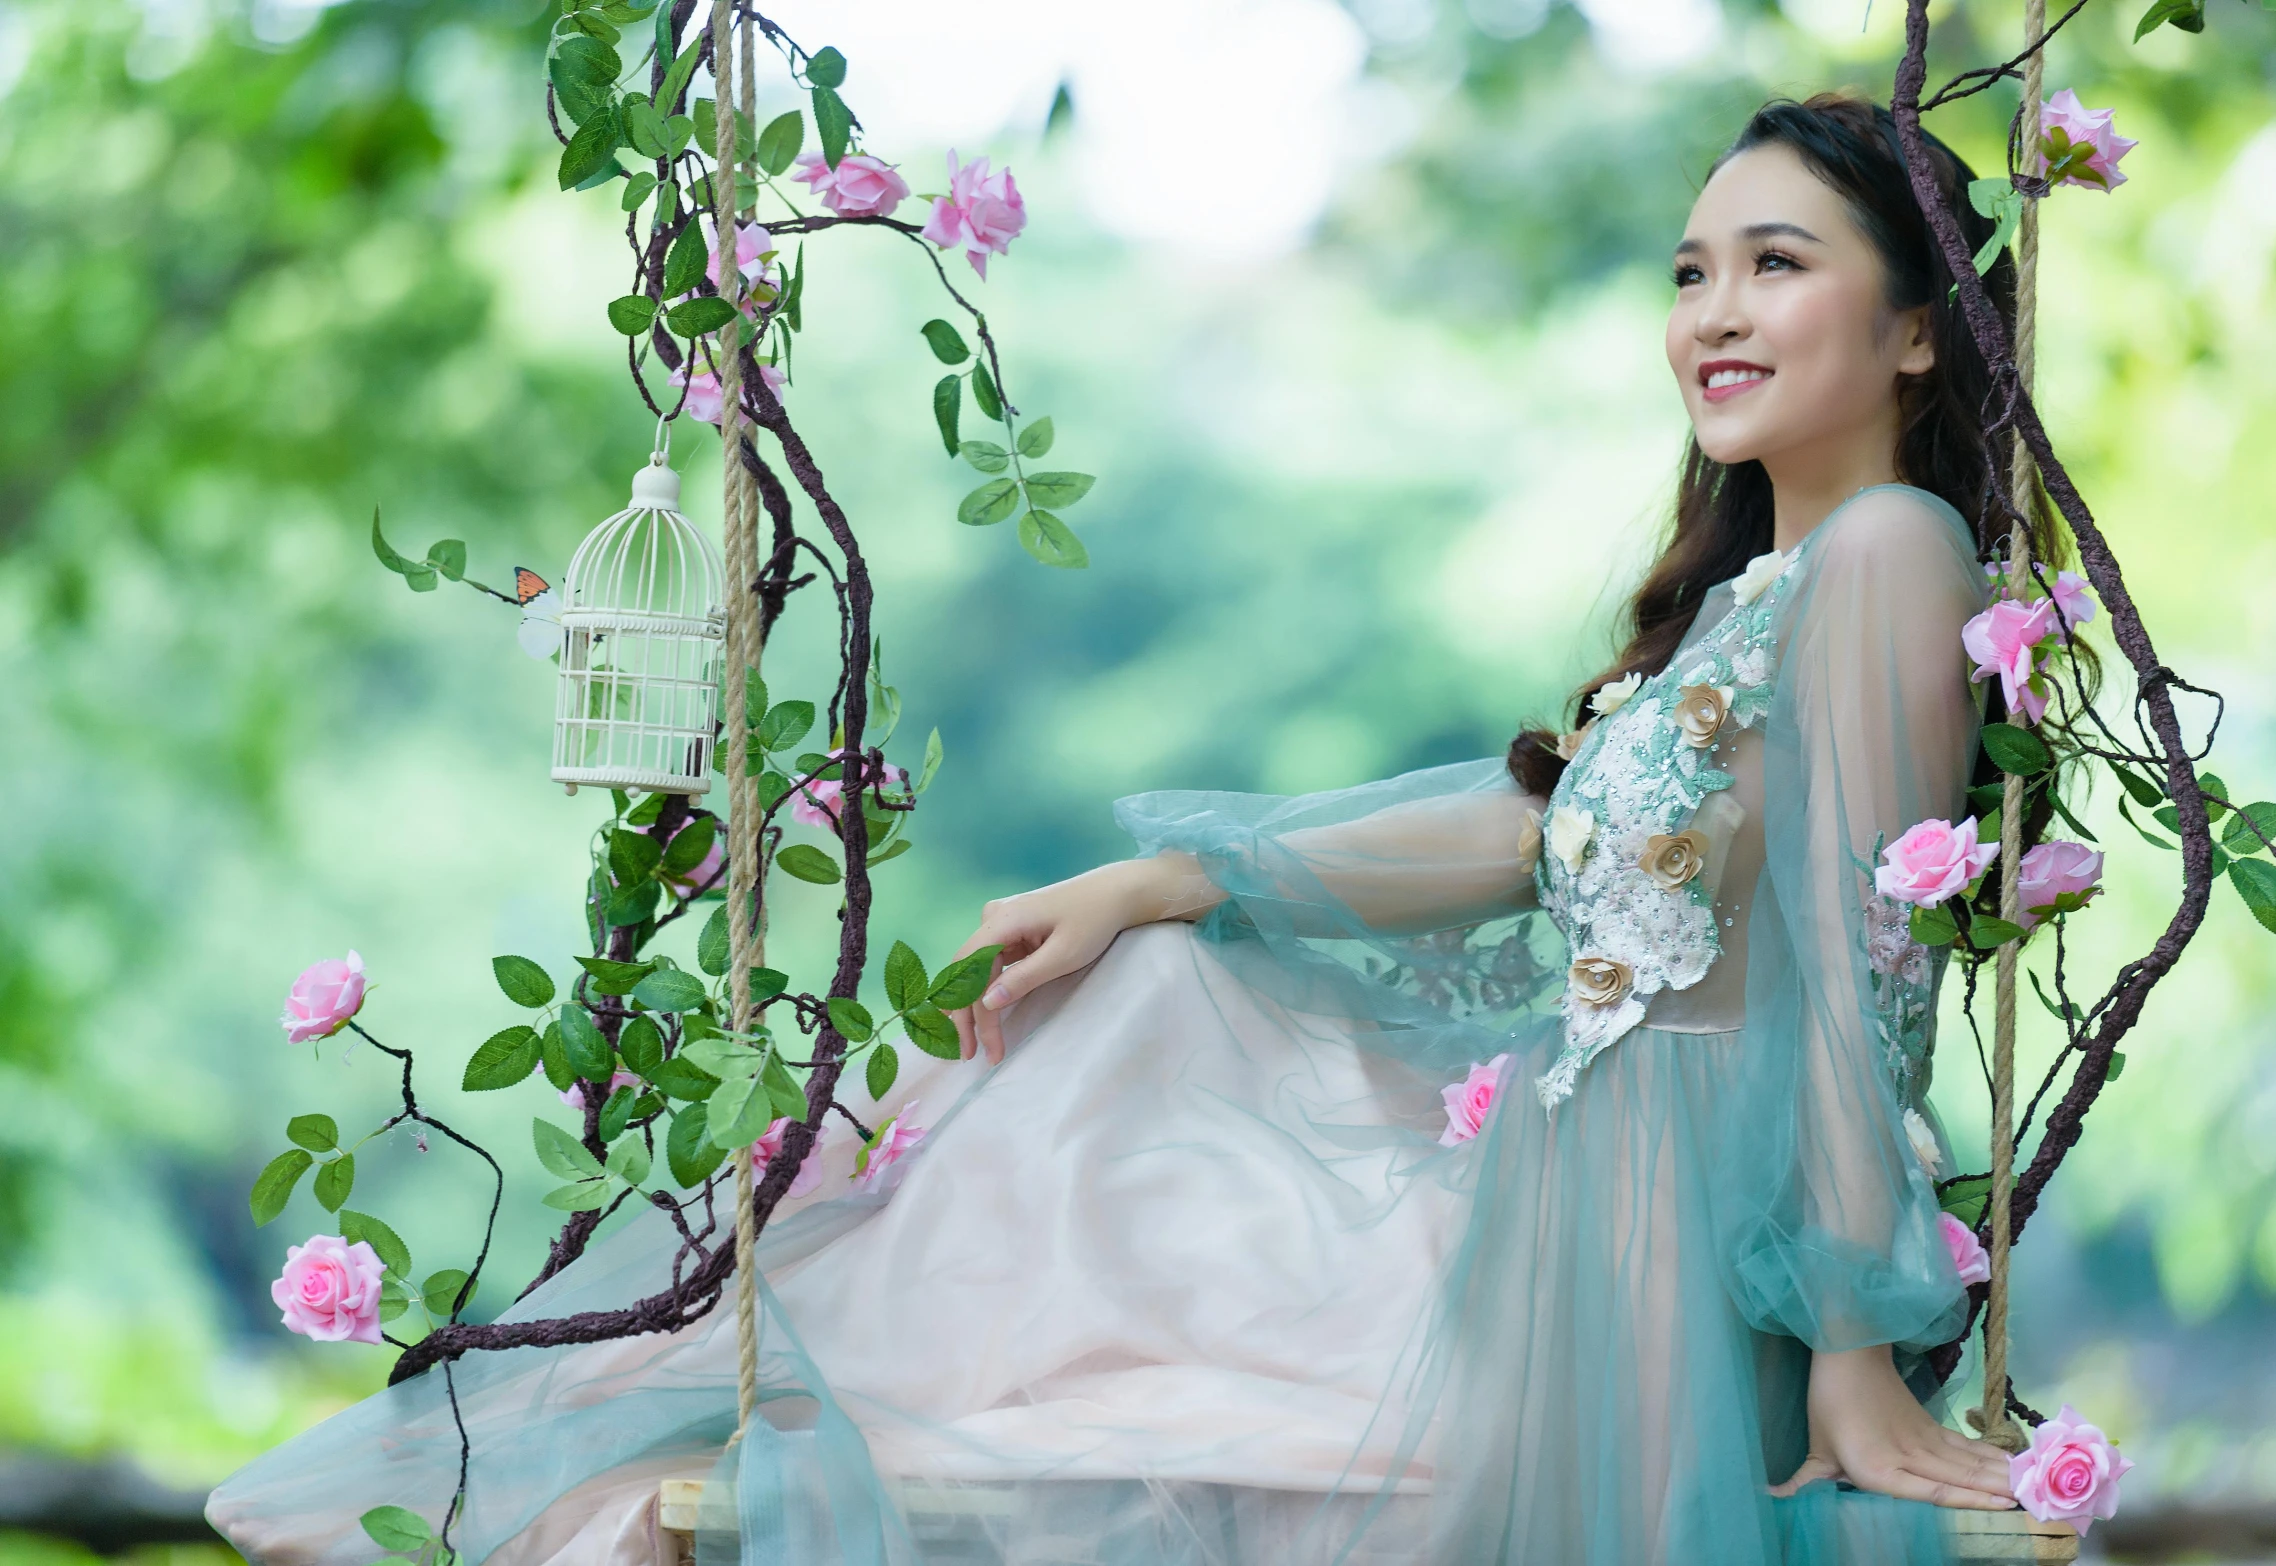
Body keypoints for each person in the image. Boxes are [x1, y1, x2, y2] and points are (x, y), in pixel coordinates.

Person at [208, 94, 2042, 1566]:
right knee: (1138, 1007)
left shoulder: (1890, 555)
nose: (1711, 313)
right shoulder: (1754, 596)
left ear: (1907, 330)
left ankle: (700, 1384)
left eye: (1776, 265)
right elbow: (1535, 833)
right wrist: (1174, 874)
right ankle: (723, 1373)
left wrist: (1856, 1361)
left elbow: (1861, 957)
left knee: (1111, 1154)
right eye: (1690, 268)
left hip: (1662, 1224)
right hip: (1578, 1181)